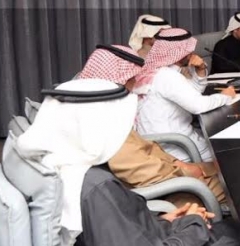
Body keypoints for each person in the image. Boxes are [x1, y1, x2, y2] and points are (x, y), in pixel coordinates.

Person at [13, 78, 240, 246]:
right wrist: (195, 224)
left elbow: (115, 235)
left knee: (232, 231)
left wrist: (162, 221)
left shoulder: (64, 166)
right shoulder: (95, 188)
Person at [78, 44, 227, 205]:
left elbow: (144, 149)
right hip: (176, 189)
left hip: (172, 171)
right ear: (119, 81)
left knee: (227, 166)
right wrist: (185, 170)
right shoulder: (102, 124)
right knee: (237, 182)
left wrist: (177, 163)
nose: (136, 82)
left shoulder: (104, 112)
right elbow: (142, 172)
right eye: (132, 78)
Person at [134, 28, 235, 162]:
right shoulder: (166, 76)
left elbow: (191, 94)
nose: (191, 53)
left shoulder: (159, 71)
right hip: (174, 146)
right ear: (178, 52)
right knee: (229, 151)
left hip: (162, 140)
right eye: (188, 49)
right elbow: (198, 106)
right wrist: (225, 96)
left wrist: (200, 69)